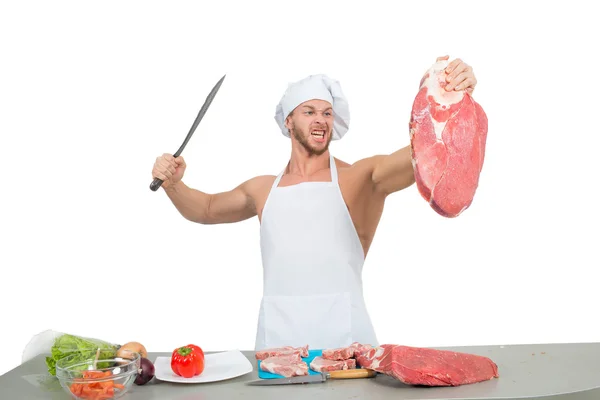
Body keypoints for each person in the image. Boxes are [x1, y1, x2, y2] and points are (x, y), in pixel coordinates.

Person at [151, 55, 478, 350]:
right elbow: (206, 210)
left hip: (349, 351)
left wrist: (446, 95)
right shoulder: (262, 190)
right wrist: (173, 184)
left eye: (326, 113)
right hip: (277, 349)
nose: (320, 120)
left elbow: (420, 154)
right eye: (309, 112)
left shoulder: (360, 178)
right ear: (288, 122)